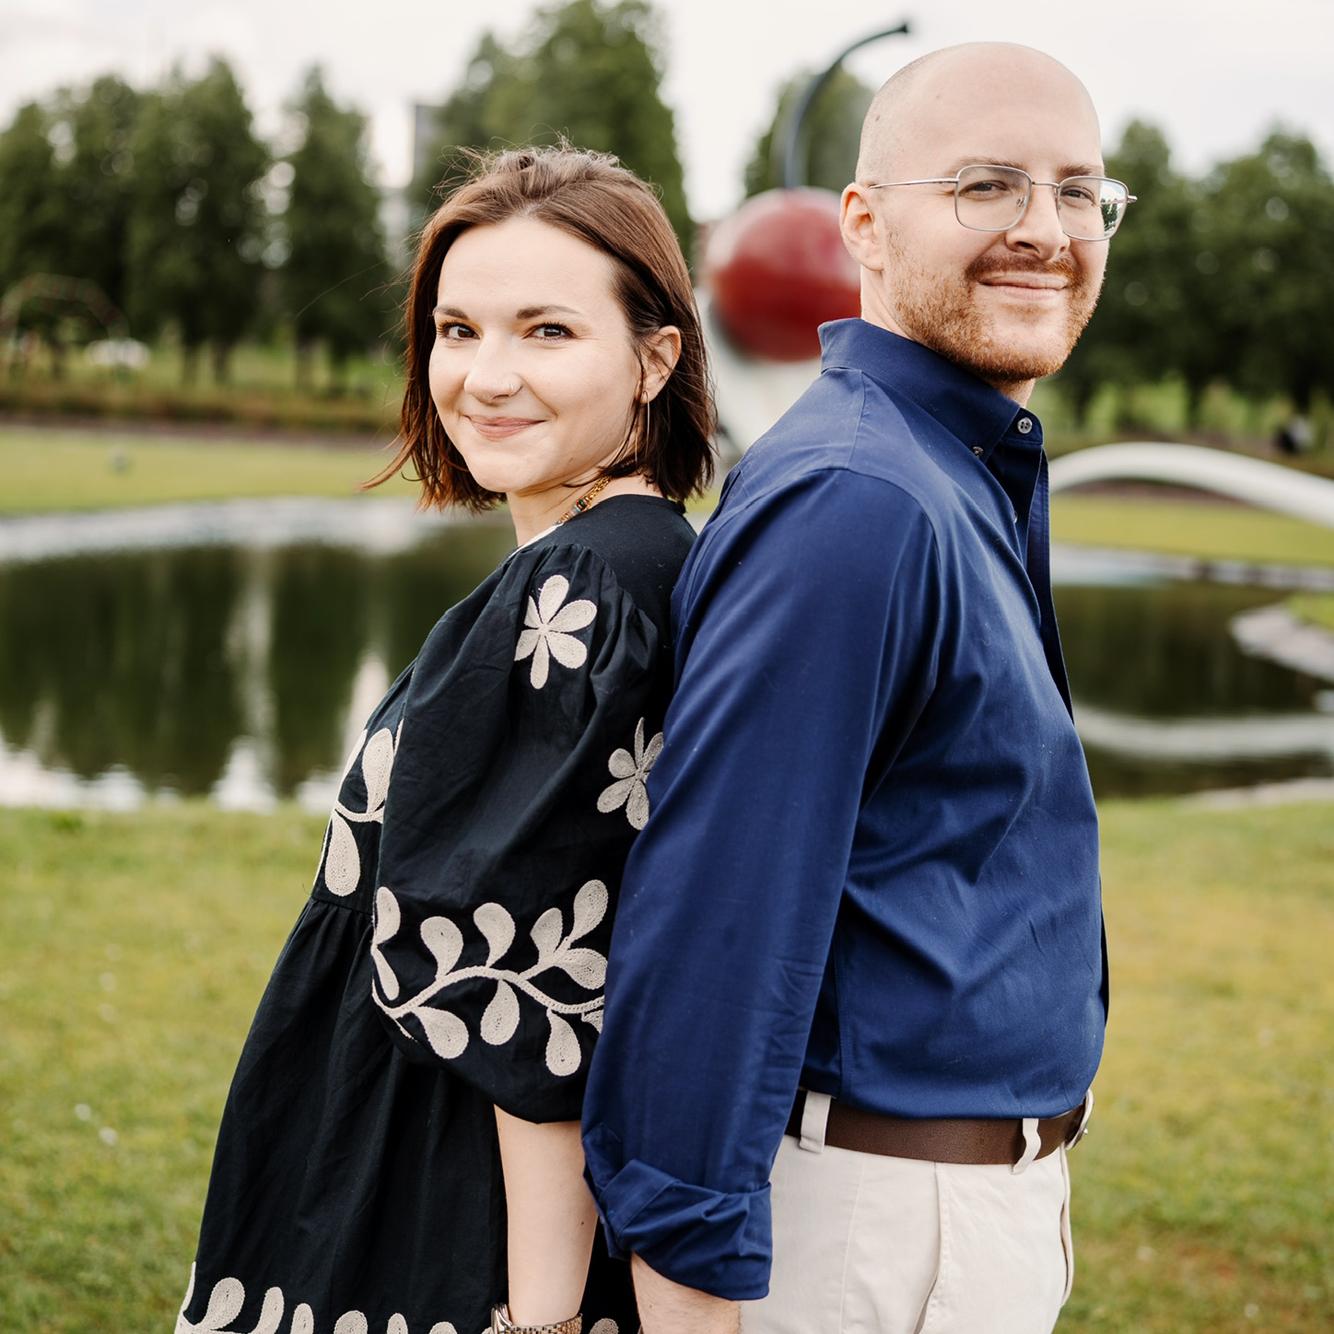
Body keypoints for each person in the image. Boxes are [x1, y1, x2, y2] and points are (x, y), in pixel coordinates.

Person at [582, 43, 1131, 1334]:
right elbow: (718, 922)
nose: (1043, 229)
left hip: (947, 1215)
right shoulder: (859, 499)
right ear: (865, 226)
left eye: (1077, 191)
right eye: (986, 185)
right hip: (872, 1241)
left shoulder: (944, 465)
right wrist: (686, 1284)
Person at [175, 145, 714, 1334]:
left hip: (441, 1204)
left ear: (654, 358)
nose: (486, 375)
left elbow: (532, 995)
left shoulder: (574, 595)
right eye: (457, 330)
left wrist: (540, 1317)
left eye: (546, 331)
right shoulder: (640, 561)